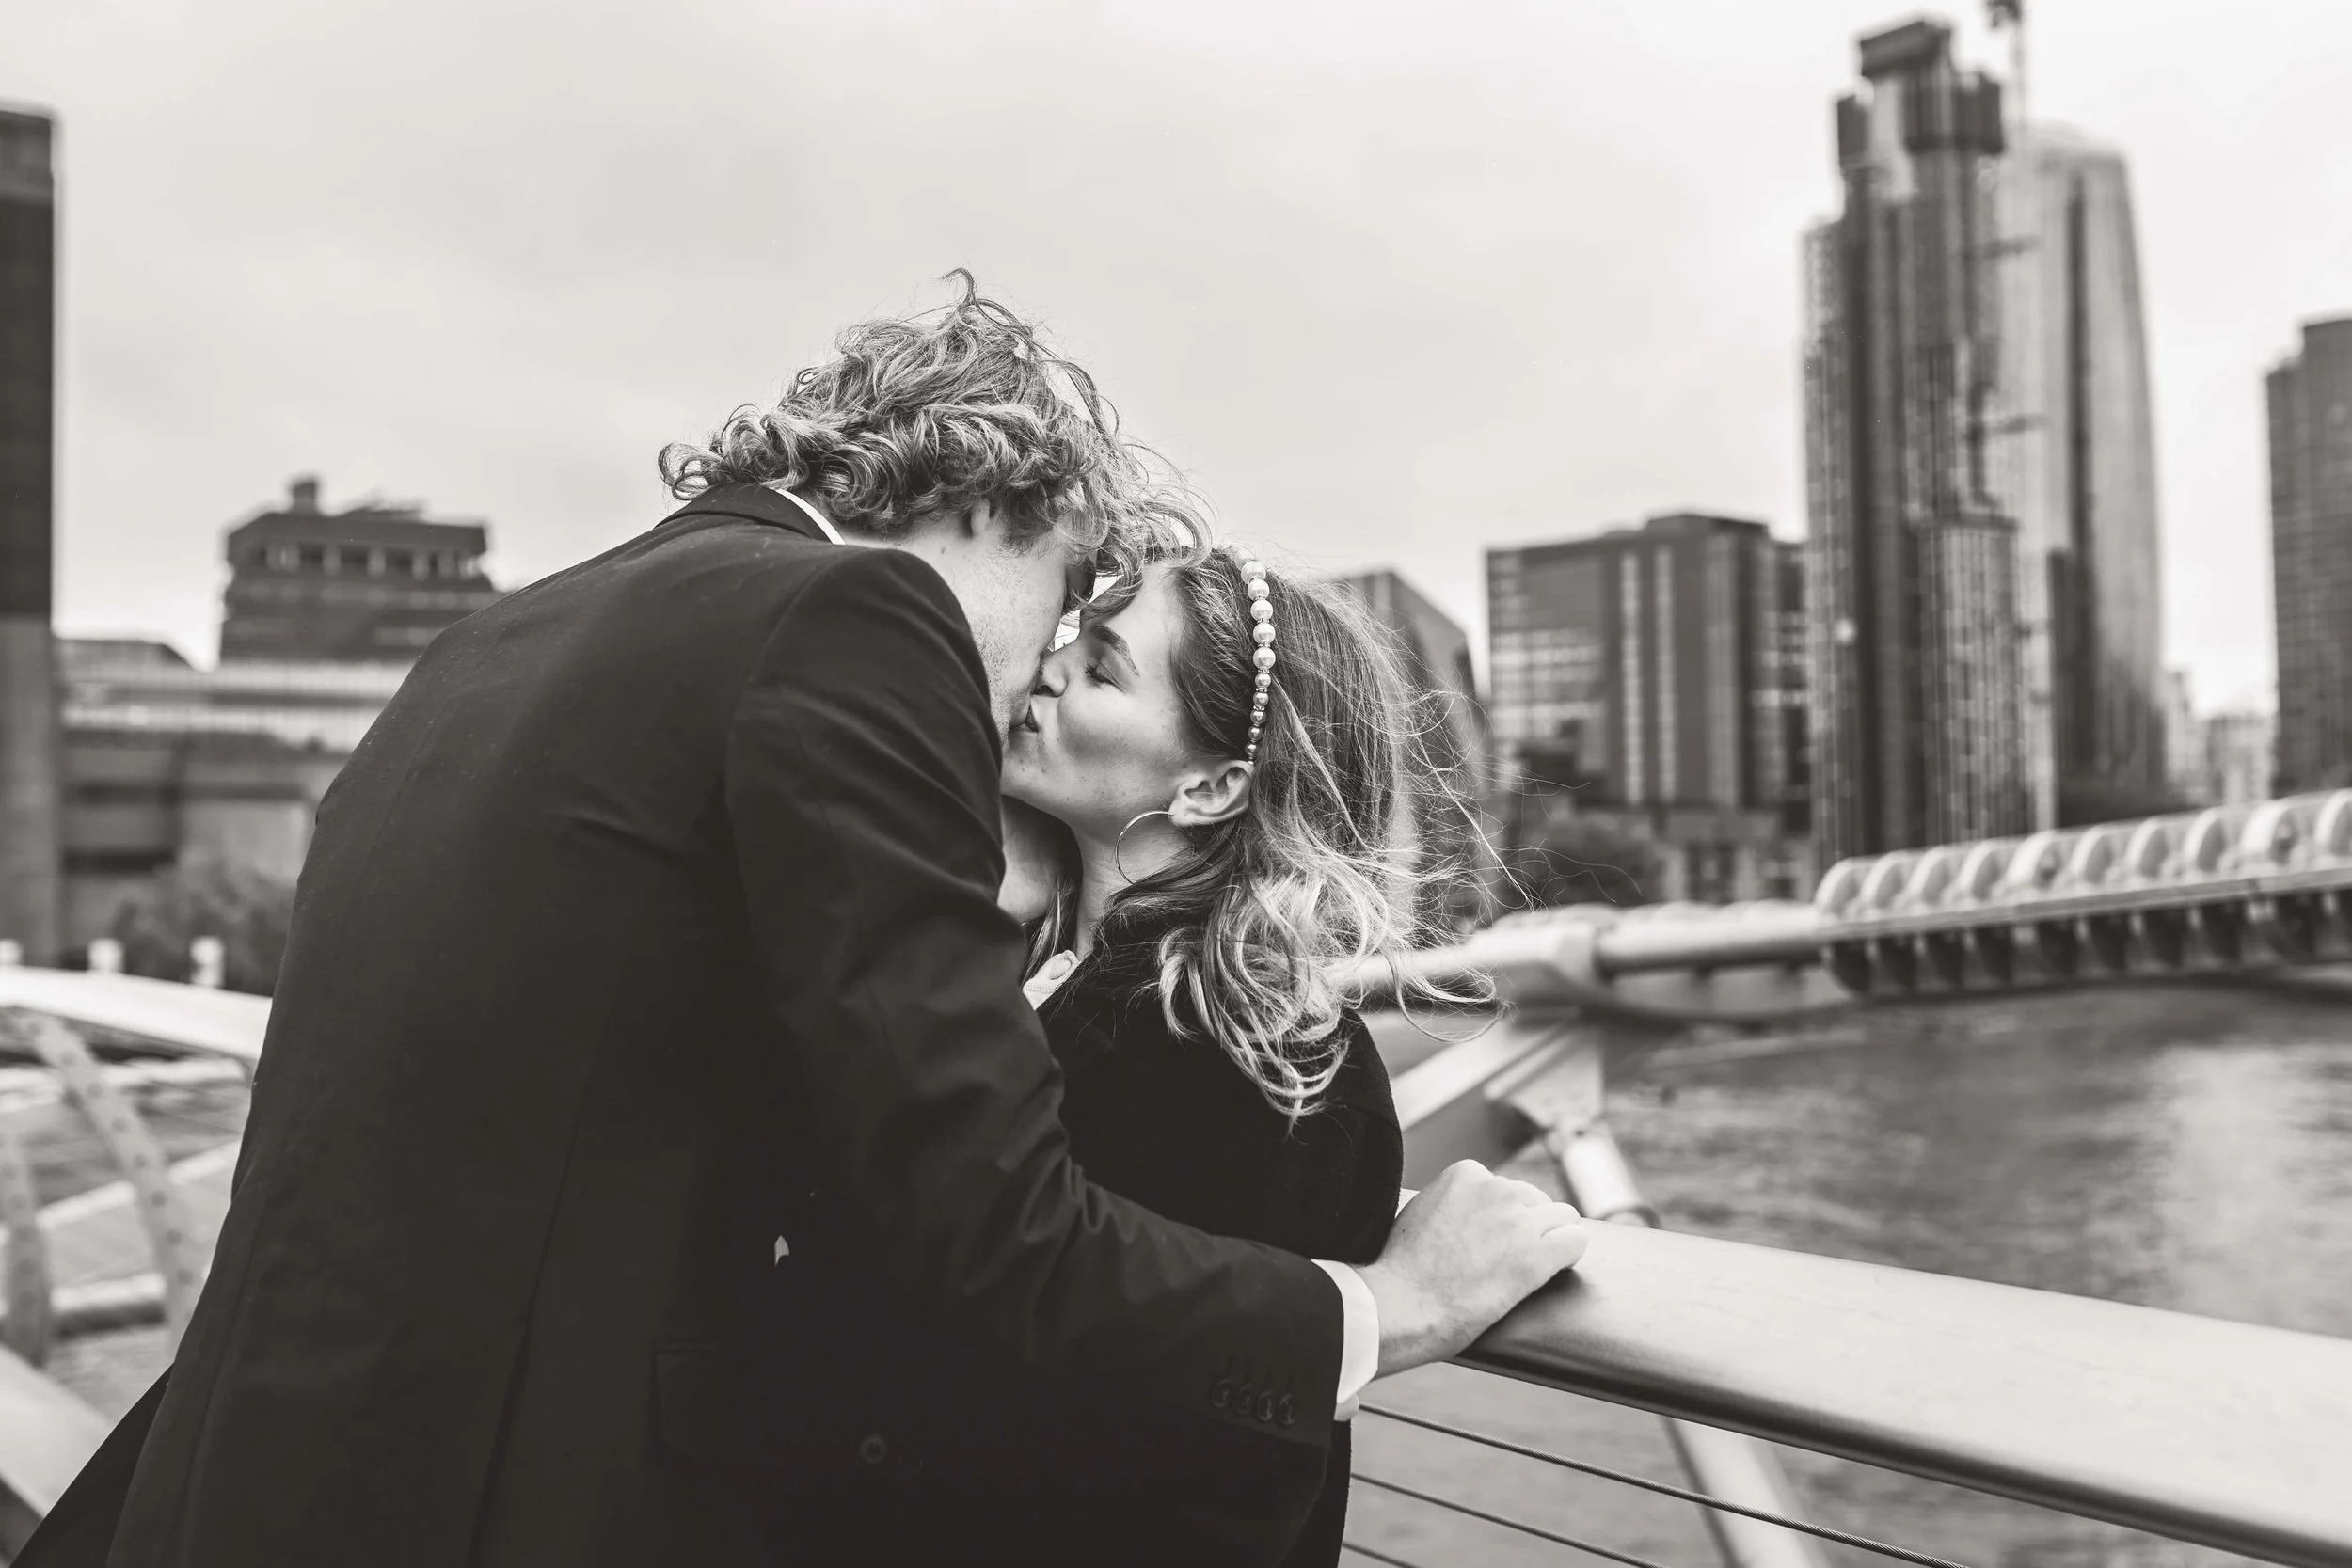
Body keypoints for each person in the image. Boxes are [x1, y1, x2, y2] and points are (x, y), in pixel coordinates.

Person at [19, 277, 1585, 1568]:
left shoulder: (494, 643)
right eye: (1067, 608)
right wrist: (1378, 1310)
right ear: (1004, 505)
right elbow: (989, 1215)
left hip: (253, 1471)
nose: (1025, 676)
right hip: (501, 1492)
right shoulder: (858, 616)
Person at [757, 538, 1488, 1565]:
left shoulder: (1276, 1061)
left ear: (1210, 786)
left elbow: (1216, 1476)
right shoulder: (1002, 966)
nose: (1044, 666)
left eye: (1101, 665)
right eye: (1070, 636)